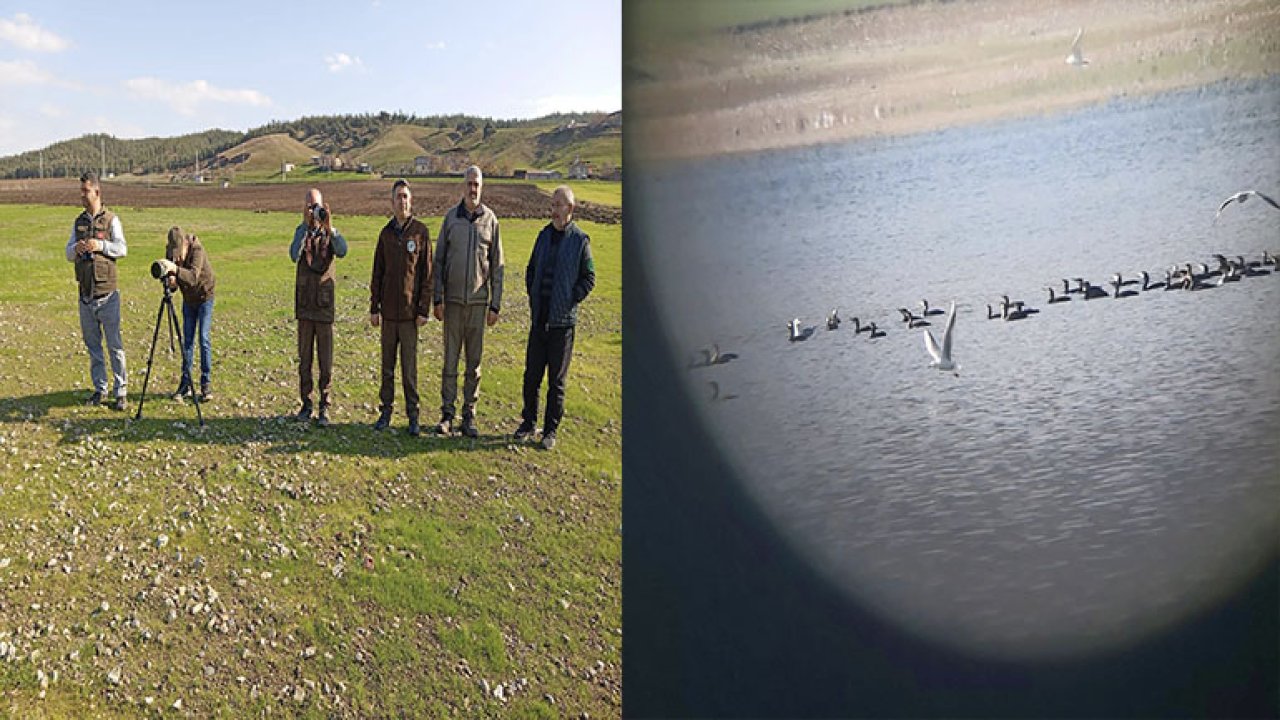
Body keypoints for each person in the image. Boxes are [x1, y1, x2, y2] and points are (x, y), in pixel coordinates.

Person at [514, 186, 595, 450]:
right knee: (531, 376)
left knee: (556, 383)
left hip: (563, 325)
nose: (554, 210)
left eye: (559, 205)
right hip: (539, 320)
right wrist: (533, 295)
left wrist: (571, 298)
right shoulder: (543, 236)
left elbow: (589, 278)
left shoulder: (580, 241)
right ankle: (528, 423)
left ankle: (550, 431)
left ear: (570, 209)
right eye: (552, 205)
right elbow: (531, 269)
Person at [432, 165, 504, 437]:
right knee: (450, 361)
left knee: (474, 365)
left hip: (477, 305)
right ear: (463, 186)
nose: (473, 189)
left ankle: (468, 417)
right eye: (469, 184)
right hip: (451, 304)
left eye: (477, 184)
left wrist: (495, 304)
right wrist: (437, 298)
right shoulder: (451, 219)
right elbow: (438, 262)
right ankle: (447, 414)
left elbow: (498, 266)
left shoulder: (491, 221)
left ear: (481, 187)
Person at [370, 179, 433, 435]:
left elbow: (427, 275)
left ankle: (413, 416)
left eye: (406, 197)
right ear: (392, 201)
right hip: (388, 314)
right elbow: (377, 273)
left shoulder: (420, 232)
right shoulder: (385, 234)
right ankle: (385, 412)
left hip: (409, 316)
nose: (402, 201)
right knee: (387, 367)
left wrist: (423, 310)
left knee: (409, 368)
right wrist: (374, 308)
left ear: (411, 200)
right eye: (398, 197)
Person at [65, 171, 128, 411]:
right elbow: (67, 253)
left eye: (85, 191)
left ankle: (120, 391)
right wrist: (77, 248)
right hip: (85, 294)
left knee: (115, 345)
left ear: (97, 192)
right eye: (81, 191)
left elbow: (122, 249)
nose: (82, 196)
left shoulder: (112, 220)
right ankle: (100, 389)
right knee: (93, 347)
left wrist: (100, 245)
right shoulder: (78, 222)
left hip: (107, 294)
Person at [290, 188, 348, 427]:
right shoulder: (300, 231)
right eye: (309, 205)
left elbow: (343, 250)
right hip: (305, 306)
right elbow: (294, 255)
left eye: (316, 205)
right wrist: (305, 227)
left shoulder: (330, 232)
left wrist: (329, 227)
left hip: (324, 306)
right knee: (305, 359)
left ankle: (325, 405)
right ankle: (306, 403)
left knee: (326, 359)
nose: (314, 210)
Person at [164, 226, 216, 401]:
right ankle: (185, 384)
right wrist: (171, 281)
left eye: (179, 253)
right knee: (187, 342)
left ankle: (206, 385)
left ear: (185, 244)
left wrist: (176, 271)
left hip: (204, 297)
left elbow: (193, 278)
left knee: (203, 338)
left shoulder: (197, 250)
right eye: (173, 254)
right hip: (188, 300)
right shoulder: (171, 254)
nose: (177, 257)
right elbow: (173, 279)